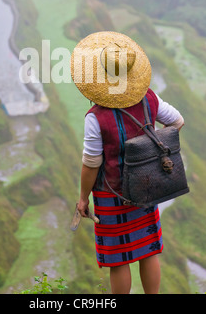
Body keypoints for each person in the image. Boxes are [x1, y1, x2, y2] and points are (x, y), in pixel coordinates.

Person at [70, 31, 184, 294]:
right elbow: (177, 121)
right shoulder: (149, 99)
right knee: (149, 251)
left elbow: (91, 163)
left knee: (119, 259)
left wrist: (83, 199)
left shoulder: (96, 117)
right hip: (147, 186)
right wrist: (156, 147)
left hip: (112, 195)